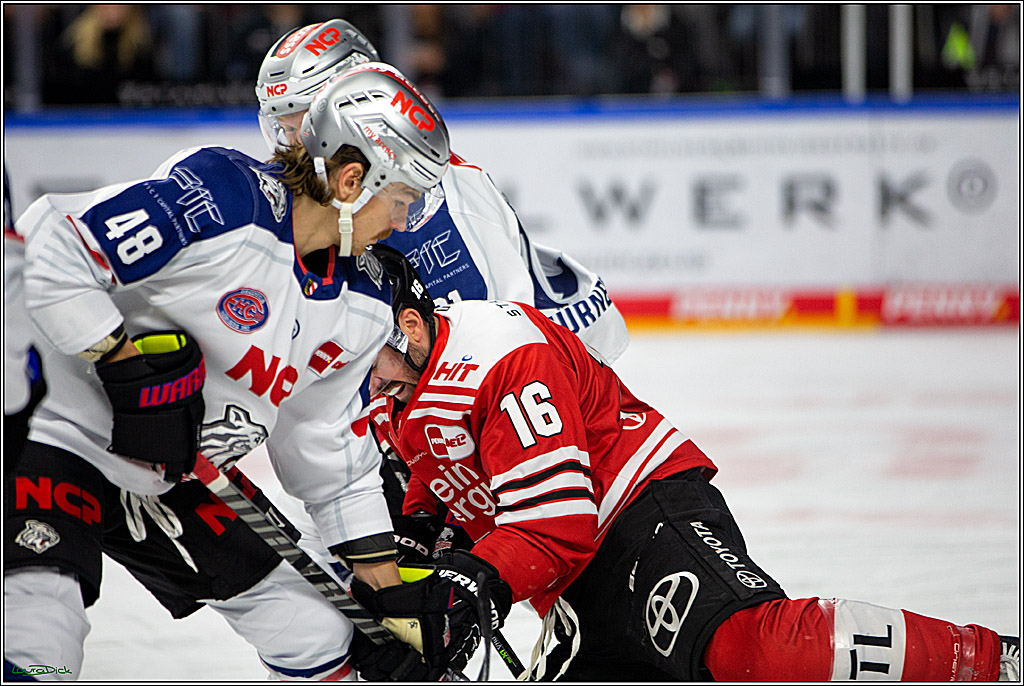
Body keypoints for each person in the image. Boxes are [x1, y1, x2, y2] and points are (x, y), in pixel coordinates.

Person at [4, 64, 478, 682]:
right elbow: (53, 245)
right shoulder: (224, 196)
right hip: (48, 427)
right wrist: (122, 361)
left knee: (319, 633)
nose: (403, 222)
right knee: (41, 624)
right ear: (354, 180)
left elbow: (327, 447)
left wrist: (387, 599)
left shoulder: (362, 300)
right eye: (403, 200)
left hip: (169, 472)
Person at [361, 249, 1021, 682]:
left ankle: (996, 663)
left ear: (410, 327)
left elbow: (556, 522)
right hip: (569, 585)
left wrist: (474, 583)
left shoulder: (500, 354)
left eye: (364, 349)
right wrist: (421, 536)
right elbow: (437, 469)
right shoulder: (397, 390)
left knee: (748, 646)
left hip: (636, 514)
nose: (352, 371)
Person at [253, 17, 630, 570]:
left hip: (530, 407)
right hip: (412, 418)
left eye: (300, 124)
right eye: (279, 127)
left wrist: (434, 480)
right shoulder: (320, 199)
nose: (290, 144)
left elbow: (511, 336)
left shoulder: (444, 194)